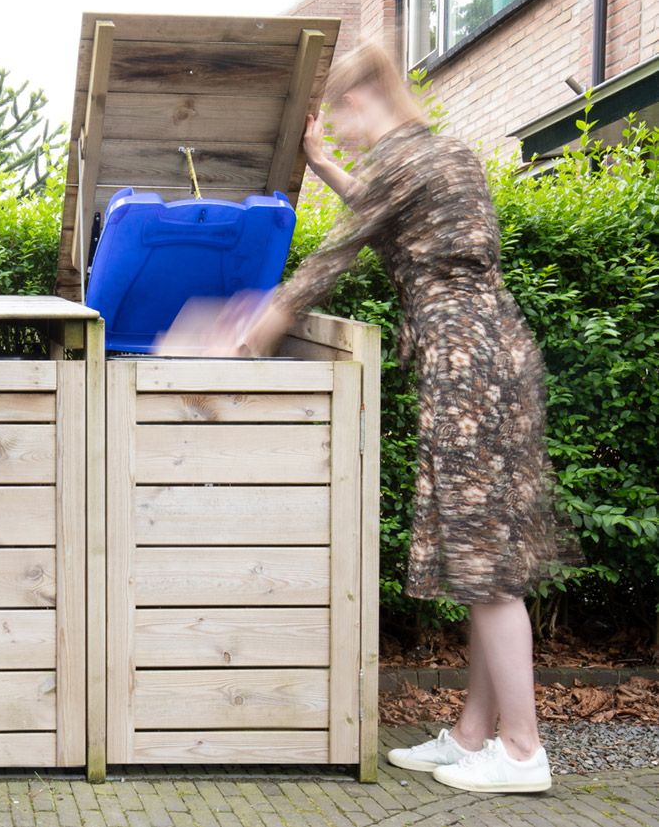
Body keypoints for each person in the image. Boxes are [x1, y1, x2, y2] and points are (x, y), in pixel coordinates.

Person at [235, 43, 583, 793]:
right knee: (485, 558)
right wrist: (324, 163)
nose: (343, 131)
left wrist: (251, 332)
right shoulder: (441, 155)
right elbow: (380, 210)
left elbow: (333, 255)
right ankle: (472, 735)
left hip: (466, 366)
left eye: (341, 117)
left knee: (487, 563)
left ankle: (522, 750)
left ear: (363, 99)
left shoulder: (404, 161)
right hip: (492, 355)